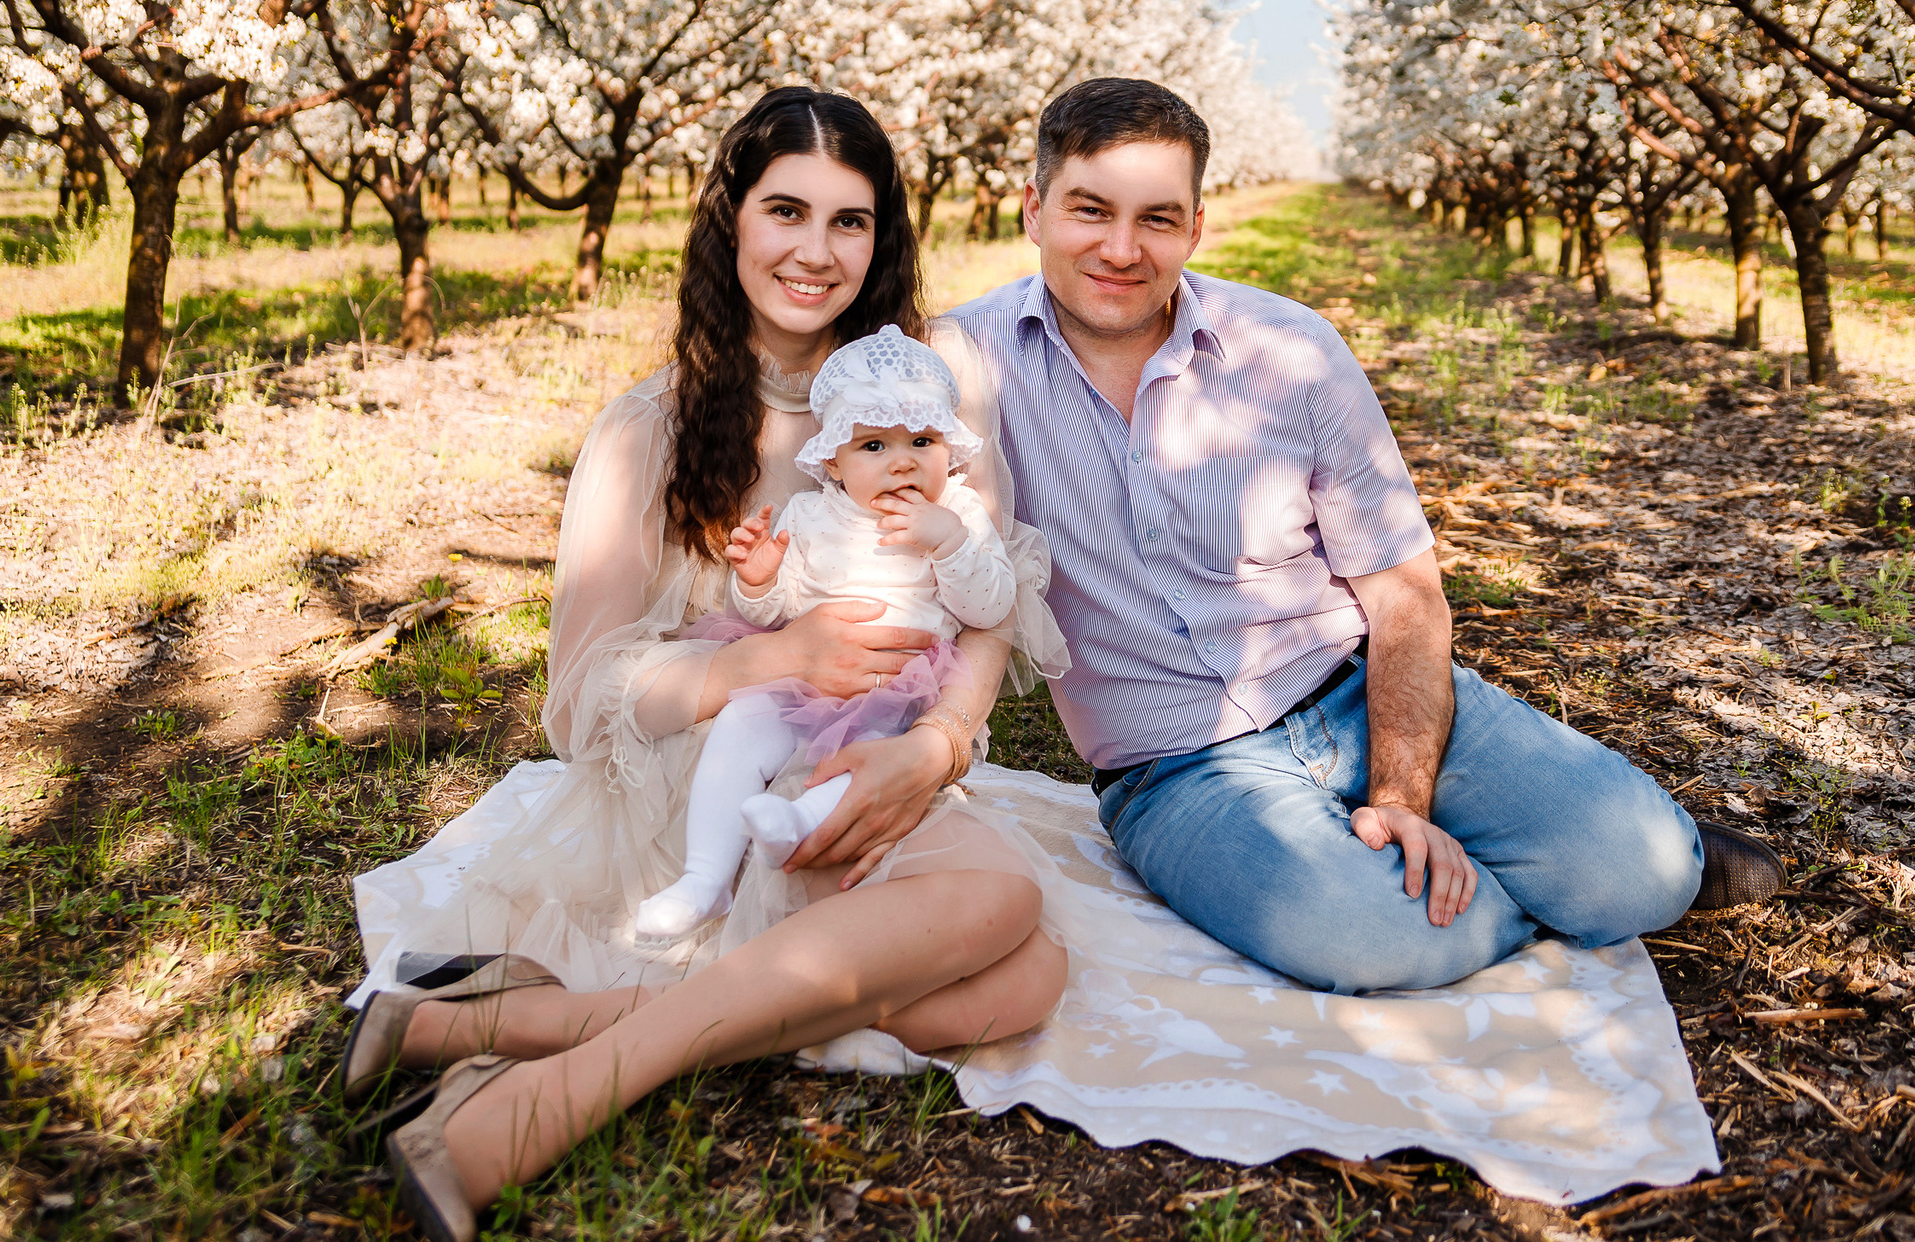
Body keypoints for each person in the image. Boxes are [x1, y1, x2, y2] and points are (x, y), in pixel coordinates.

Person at [347, 88, 1073, 1242]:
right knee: (1003, 908)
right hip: (710, 778)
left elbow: (986, 598)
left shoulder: (926, 394)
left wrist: (936, 745)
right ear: (729, 217)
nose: (816, 250)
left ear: (883, 238)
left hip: (881, 748)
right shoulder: (654, 426)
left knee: (1024, 981)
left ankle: (480, 1027)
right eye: (786, 209)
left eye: (851, 220)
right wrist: (771, 654)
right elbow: (581, 700)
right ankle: (546, 1097)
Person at [948, 77, 1782, 997]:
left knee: (1650, 871)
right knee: (1384, 940)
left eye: (1156, 219)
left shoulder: (1289, 351)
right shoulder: (961, 368)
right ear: (1033, 209)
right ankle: (1514, 886)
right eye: (1089, 210)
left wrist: (1399, 801)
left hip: (1351, 692)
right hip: (1177, 770)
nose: (1120, 248)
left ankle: (1586, 861)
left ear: (1194, 229)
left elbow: (1403, 592)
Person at [634, 325, 1022, 939]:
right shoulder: (812, 514)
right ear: (835, 460)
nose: (901, 461)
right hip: (803, 676)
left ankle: (799, 822)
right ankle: (703, 878)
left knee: (861, 760)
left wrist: (948, 542)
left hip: (898, 689)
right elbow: (778, 614)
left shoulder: (960, 512)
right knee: (737, 727)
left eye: (922, 440)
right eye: (873, 445)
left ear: (949, 447)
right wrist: (759, 582)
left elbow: (991, 605)